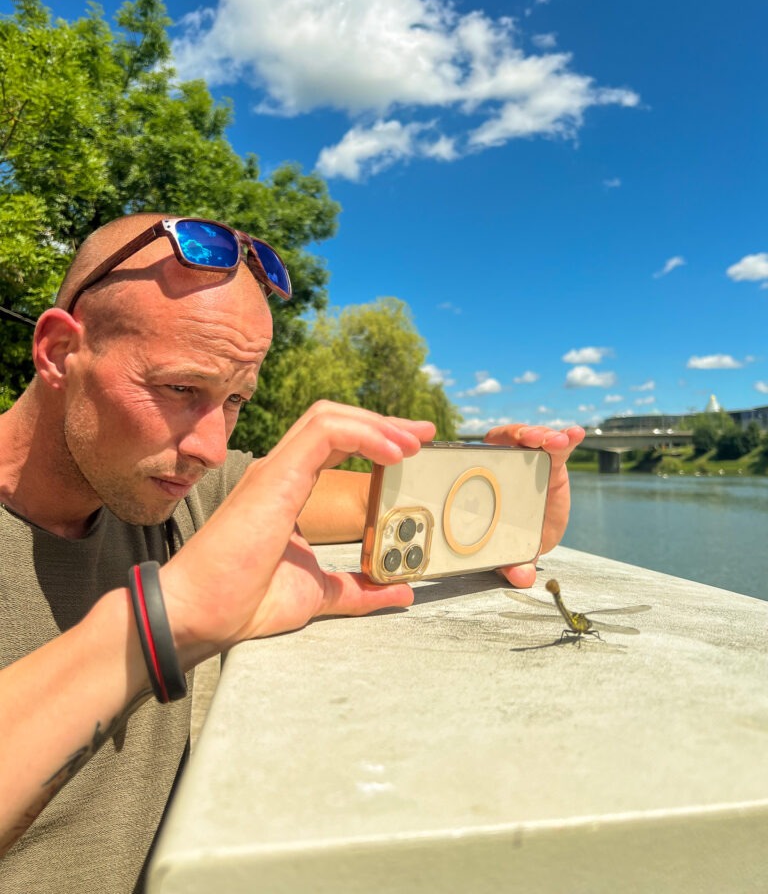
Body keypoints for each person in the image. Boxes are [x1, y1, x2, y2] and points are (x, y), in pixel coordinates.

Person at [0, 214, 584, 892]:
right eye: (181, 390)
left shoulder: (183, 488)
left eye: (235, 402)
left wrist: (519, 516)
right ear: (57, 351)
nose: (210, 448)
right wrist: (167, 620)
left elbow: (390, 507)